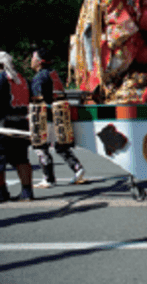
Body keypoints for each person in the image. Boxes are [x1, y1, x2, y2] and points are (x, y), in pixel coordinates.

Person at [30, 48, 87, 188]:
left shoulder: (39, 77)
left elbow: (38, 100)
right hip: (59, 113)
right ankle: (77, 168)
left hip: (47, 115)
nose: (31, 60)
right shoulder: (53, 73)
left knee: (41, 147)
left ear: (38, 62)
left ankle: (48, 179)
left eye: (33, 58)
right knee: (60, 146)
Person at [0, 51, 34, 202]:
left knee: (0, 159)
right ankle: (27, 192)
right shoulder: (23, 79)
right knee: (22, 158)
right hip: (22, 122)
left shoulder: (1, 78)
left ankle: (1, 192)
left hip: (4, 124)